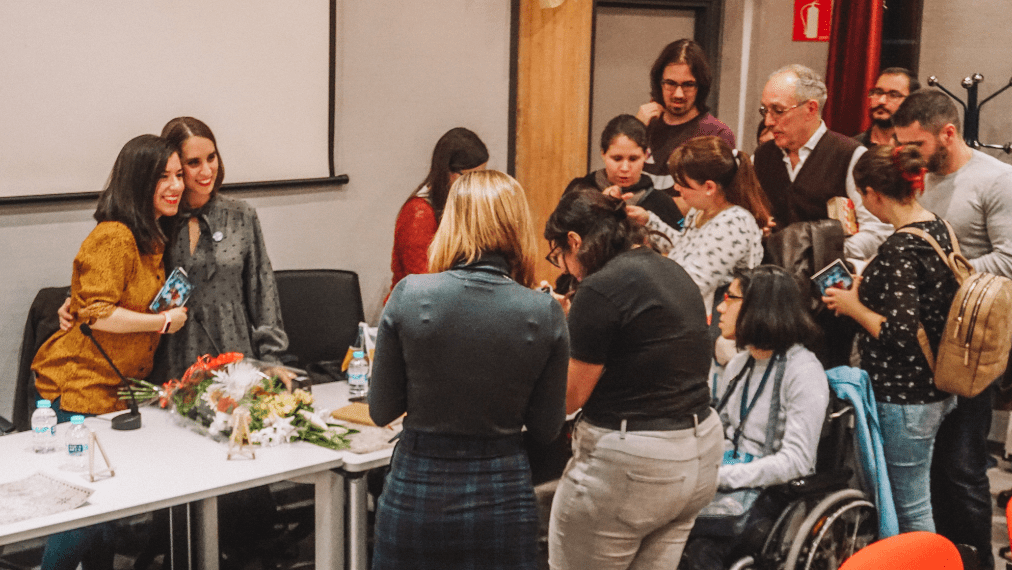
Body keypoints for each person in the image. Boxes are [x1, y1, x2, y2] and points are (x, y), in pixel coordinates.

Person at [369, 170, 569, 570]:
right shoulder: (543, 311)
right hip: (503, 495)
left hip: (418, 490)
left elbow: (381, 410)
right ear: (516, 226)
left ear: (452, 224)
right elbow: (548, 429)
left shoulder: (409, 295)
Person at [31, 134, 188, 570]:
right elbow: (97, 313)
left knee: (105, 514)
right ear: (139, 182)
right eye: (164, 177)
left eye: (179, 175)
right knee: (81, 515)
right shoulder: (114, 236)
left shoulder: (150, 237)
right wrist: (162, 321)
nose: (177, 185)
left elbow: (89, 299)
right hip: (78, 389)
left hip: (115, 390)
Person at [544, 188, 721, 570]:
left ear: (574, 241)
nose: (563, 269)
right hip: (699, 452)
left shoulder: (600, 287)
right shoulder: (667, 267)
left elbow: (568, 399)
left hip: (635, 464)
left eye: (558, 257)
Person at [892, 88, 1012, 570]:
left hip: (971, 346)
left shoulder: (996, 180)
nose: (908, 155)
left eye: (915, 145)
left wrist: (936, 273)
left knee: (961, 467)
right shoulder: (919, 178)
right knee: (930, 470)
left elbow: (1008, 260)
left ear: (948, 132)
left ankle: (976, 562)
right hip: (923, 343)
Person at [823, 144, 958, 533]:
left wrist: (852, 306)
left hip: (904, 396)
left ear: (874, 194)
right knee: (914, 497)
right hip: (932, 388)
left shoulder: (901, 245)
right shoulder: (937, 227)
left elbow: (900, 332)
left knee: (909, 507)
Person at [681, 265, 828, 570]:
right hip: (729, 478)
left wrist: (723, 477)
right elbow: (720, 431)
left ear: (757, 307)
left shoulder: (803, 371)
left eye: (730, 298)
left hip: (771, 493)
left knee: (698, 548)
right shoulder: (739, 365)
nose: (720, 306)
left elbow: (798, 461)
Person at [753, 63, 891, 260]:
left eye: (778, 110)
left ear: (810, 109)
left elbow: (877, 230)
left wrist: (826, 255)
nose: (768, 121)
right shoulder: (761, 157)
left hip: (828, 279)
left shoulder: (849, 155)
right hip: (772, 279)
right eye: (764, 110)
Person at [633, 135, 771, 315]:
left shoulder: (734, 223)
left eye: (683, 183)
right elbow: (684, 250)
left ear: (709, 187)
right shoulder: (699, 211)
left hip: (716, 319)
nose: (676, 188)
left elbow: (693, 285)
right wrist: (648, 221)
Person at [388, 127, 488, 294]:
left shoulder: (464, 206)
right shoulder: (418, 213)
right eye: (471, 177)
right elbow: (423, 285)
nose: (477, 185)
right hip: (416, 310)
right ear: (448, 172)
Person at [635, 39, 735, 196]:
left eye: (688, 85)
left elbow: (715, 201)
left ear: (700, 86)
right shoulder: (644, 124)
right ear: (659, 83)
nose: (678, 94)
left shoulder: (716, 135)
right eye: (670, 83)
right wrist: (635, 129)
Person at [568, 114, 683, 229]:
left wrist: (650, 223)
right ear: (603, 154)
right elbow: (557, 235)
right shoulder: (579, 189)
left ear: (646, 155)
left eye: (633, 159)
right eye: (617, 159)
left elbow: (682, 243)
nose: (625, 168)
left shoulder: (661, 202)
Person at [854, 68, 920, 148]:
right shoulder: (854, 148)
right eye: (878, 92)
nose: (881, 101)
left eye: (893, 95)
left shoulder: (918, 150)